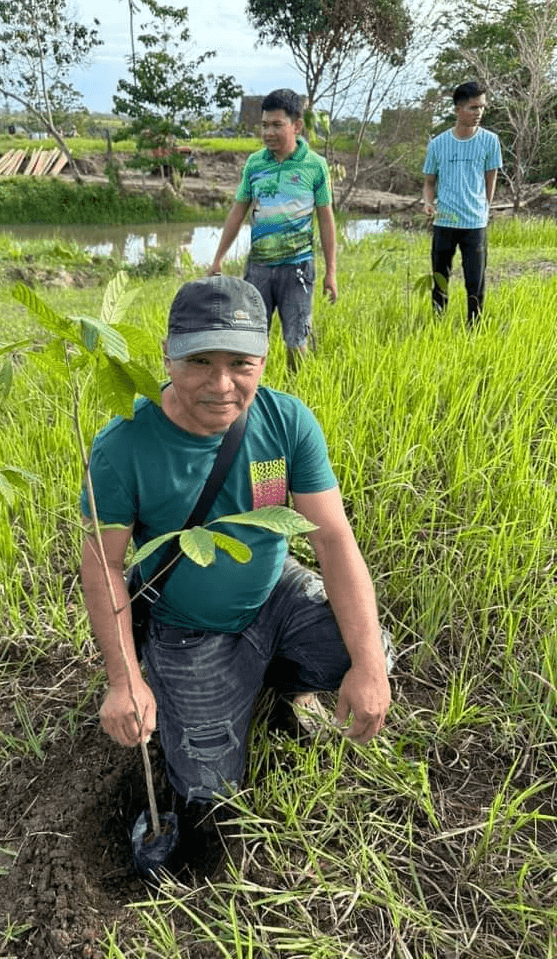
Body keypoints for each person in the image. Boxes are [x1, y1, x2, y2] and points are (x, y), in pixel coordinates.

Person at [80, 275, 391, 869]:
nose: (221, 385)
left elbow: (333, 540)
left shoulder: (286, 422)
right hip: (190, 626)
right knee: (208, 792)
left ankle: (277, 684)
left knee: (370, 650)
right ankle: (194, 698)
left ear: (264, 360)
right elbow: (104, 567)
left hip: (275, 592)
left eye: (240, 363)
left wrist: (369, 667)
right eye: (199, 360)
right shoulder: (123, 446)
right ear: (166, 356)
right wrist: (123, 682)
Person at [207, 89, 337, 368]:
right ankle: (252, 396)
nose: (268, 132)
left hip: (298, 268)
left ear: (296, 126)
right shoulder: (255, 164)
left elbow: (326, 219)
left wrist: (331, 272)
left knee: (296, 338)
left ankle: (296, 393)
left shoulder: (315, 166)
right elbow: (238, 211)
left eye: (277, 125)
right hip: (259, 268)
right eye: (264, 125)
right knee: (251, 339)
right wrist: (218, 258)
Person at [422, 81, 502, 324]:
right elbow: (429, 182)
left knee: (475, 281)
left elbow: (491, 177)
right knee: (440, 278)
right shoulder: (438, 144)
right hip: (445, 221)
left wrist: (485, 208)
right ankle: (437, 323)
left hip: (475, 222)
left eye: (482, 108)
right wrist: (428, 203)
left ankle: (474, 328)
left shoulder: (490, 141)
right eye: (473, 108)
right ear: (458, 109)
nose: (479, 113)